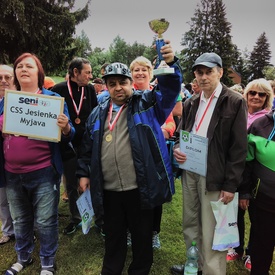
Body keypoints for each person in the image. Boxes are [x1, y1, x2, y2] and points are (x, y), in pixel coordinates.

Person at [76, 40, 182, 274]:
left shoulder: (147, 104)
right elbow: (87, 146)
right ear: (107, 86)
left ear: (130, 82)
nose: (118, 88)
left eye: (122, 82)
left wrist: (171, 65)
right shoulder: (97, 113)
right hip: (110, 190)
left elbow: (171, 91)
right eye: (112, 84)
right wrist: (83, 173)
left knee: (142, 239)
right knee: (114, 239)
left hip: (139, 189)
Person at [171, 52, 248, 275]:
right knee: (191, 223)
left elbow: (238, 148)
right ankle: (194, 265)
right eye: (199, 72)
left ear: (220, 72)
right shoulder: (191, 101)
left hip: (215, 176)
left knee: (213, 229)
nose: (203, 77)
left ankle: (212, 271)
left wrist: (230, 184)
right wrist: (177, 148)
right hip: (190, 171)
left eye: (209, 72)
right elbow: (179, 135)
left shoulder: (233, 102)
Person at [0, 53, 75, 275]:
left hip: (43, 172)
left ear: (38, 72)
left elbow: (70, 135)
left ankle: (47, 262)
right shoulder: (6, 101)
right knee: (20, 220)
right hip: (12, 173)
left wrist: (66, 127)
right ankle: (23, 258)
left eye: (29, 66)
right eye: (19, 66)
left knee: (45, 221)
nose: (23, 69)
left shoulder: (52, 99)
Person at [128, 55, 177, 249]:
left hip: (154, 156)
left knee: (155, 196)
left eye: (144, 69)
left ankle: (154, 232)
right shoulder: (126, 95)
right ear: (131, 74)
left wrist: (165, 130)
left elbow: (171, 121)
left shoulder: (157, 97)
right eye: (136, 70)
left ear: (151, 74)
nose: (140, 73)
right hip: (131, 155)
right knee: (132, 195)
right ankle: (130, 231)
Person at [226, 78, 273, 271]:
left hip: (254, 178)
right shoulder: (238, 112)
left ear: (267, 97)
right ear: (246, 94)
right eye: (252, 92)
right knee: (235, 213)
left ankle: (252, 252)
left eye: (261, 94)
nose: (256, 97)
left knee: (257, 219)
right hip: (233, 171)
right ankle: (235, 247)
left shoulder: (266, 120)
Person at [51, 57, 98, 235]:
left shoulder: (91, 89)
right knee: (71, 184)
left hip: (87, 144)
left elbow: (95, 113)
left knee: (90, 181)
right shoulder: (58, 89)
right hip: (67, 145)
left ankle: (96, 218)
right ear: (75, 72)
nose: (90, 76)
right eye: (87, 72)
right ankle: (76, 218)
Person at [238, 107, 275, 275]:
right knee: (262, 248)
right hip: (264, 200)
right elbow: (247, 163)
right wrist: (245, 191)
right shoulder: (260, 125)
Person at [0, 65, 15, 245]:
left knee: (20, 198)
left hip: (17, 158)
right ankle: (7, 230)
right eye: (0, 77)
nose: (3, 80)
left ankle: (27, 229)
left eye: (7, 77)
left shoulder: (21, 100)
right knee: (2, 198)